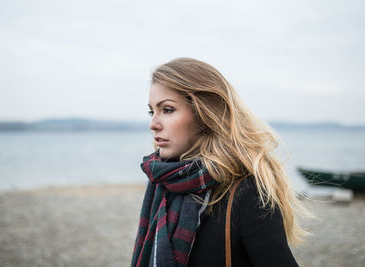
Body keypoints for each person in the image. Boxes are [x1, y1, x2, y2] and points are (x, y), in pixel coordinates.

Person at [131, 58, 308, 267]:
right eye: (152, 111)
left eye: (167, 110)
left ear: (204, 113)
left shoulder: (248, 193)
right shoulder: (164, 181)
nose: (153, 124)